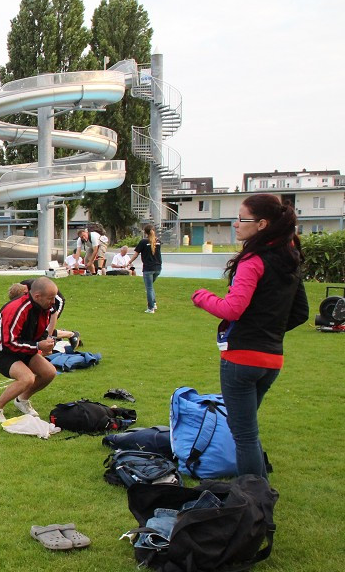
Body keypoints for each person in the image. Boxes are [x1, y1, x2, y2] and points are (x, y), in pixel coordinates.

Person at [191, 194, 308, 478]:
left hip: (242, 360)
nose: (235, 224)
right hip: (271, 361)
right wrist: (268, 331)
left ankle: (255, 501)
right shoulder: (288, 259)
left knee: (243, 435)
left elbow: (233, 308)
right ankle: (255, 493)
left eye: (242, 219)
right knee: (246, 429)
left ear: (262, 224)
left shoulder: (254, 260)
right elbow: (300, 312)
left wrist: (201, 297)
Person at [0, 277, 59, 422]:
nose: (53, 302)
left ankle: (22, 400)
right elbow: (10, 343)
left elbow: (40, 330)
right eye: (50, 298)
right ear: (37, 296)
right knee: (27, 378)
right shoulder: (17, 309)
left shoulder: (44, 308)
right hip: (0, 350)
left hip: (22, 347)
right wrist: (37, 346)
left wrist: (45, 342)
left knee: (49, 372)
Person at [130, 223, 163, 313]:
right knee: (150, 286)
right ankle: (154, 303)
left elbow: (136, 254)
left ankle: (150, 308)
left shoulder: (143, 242)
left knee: (149, 288)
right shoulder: (158, 241)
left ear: (145, 232)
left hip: (148, 268)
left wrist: (129, 262)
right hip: (158, 267)